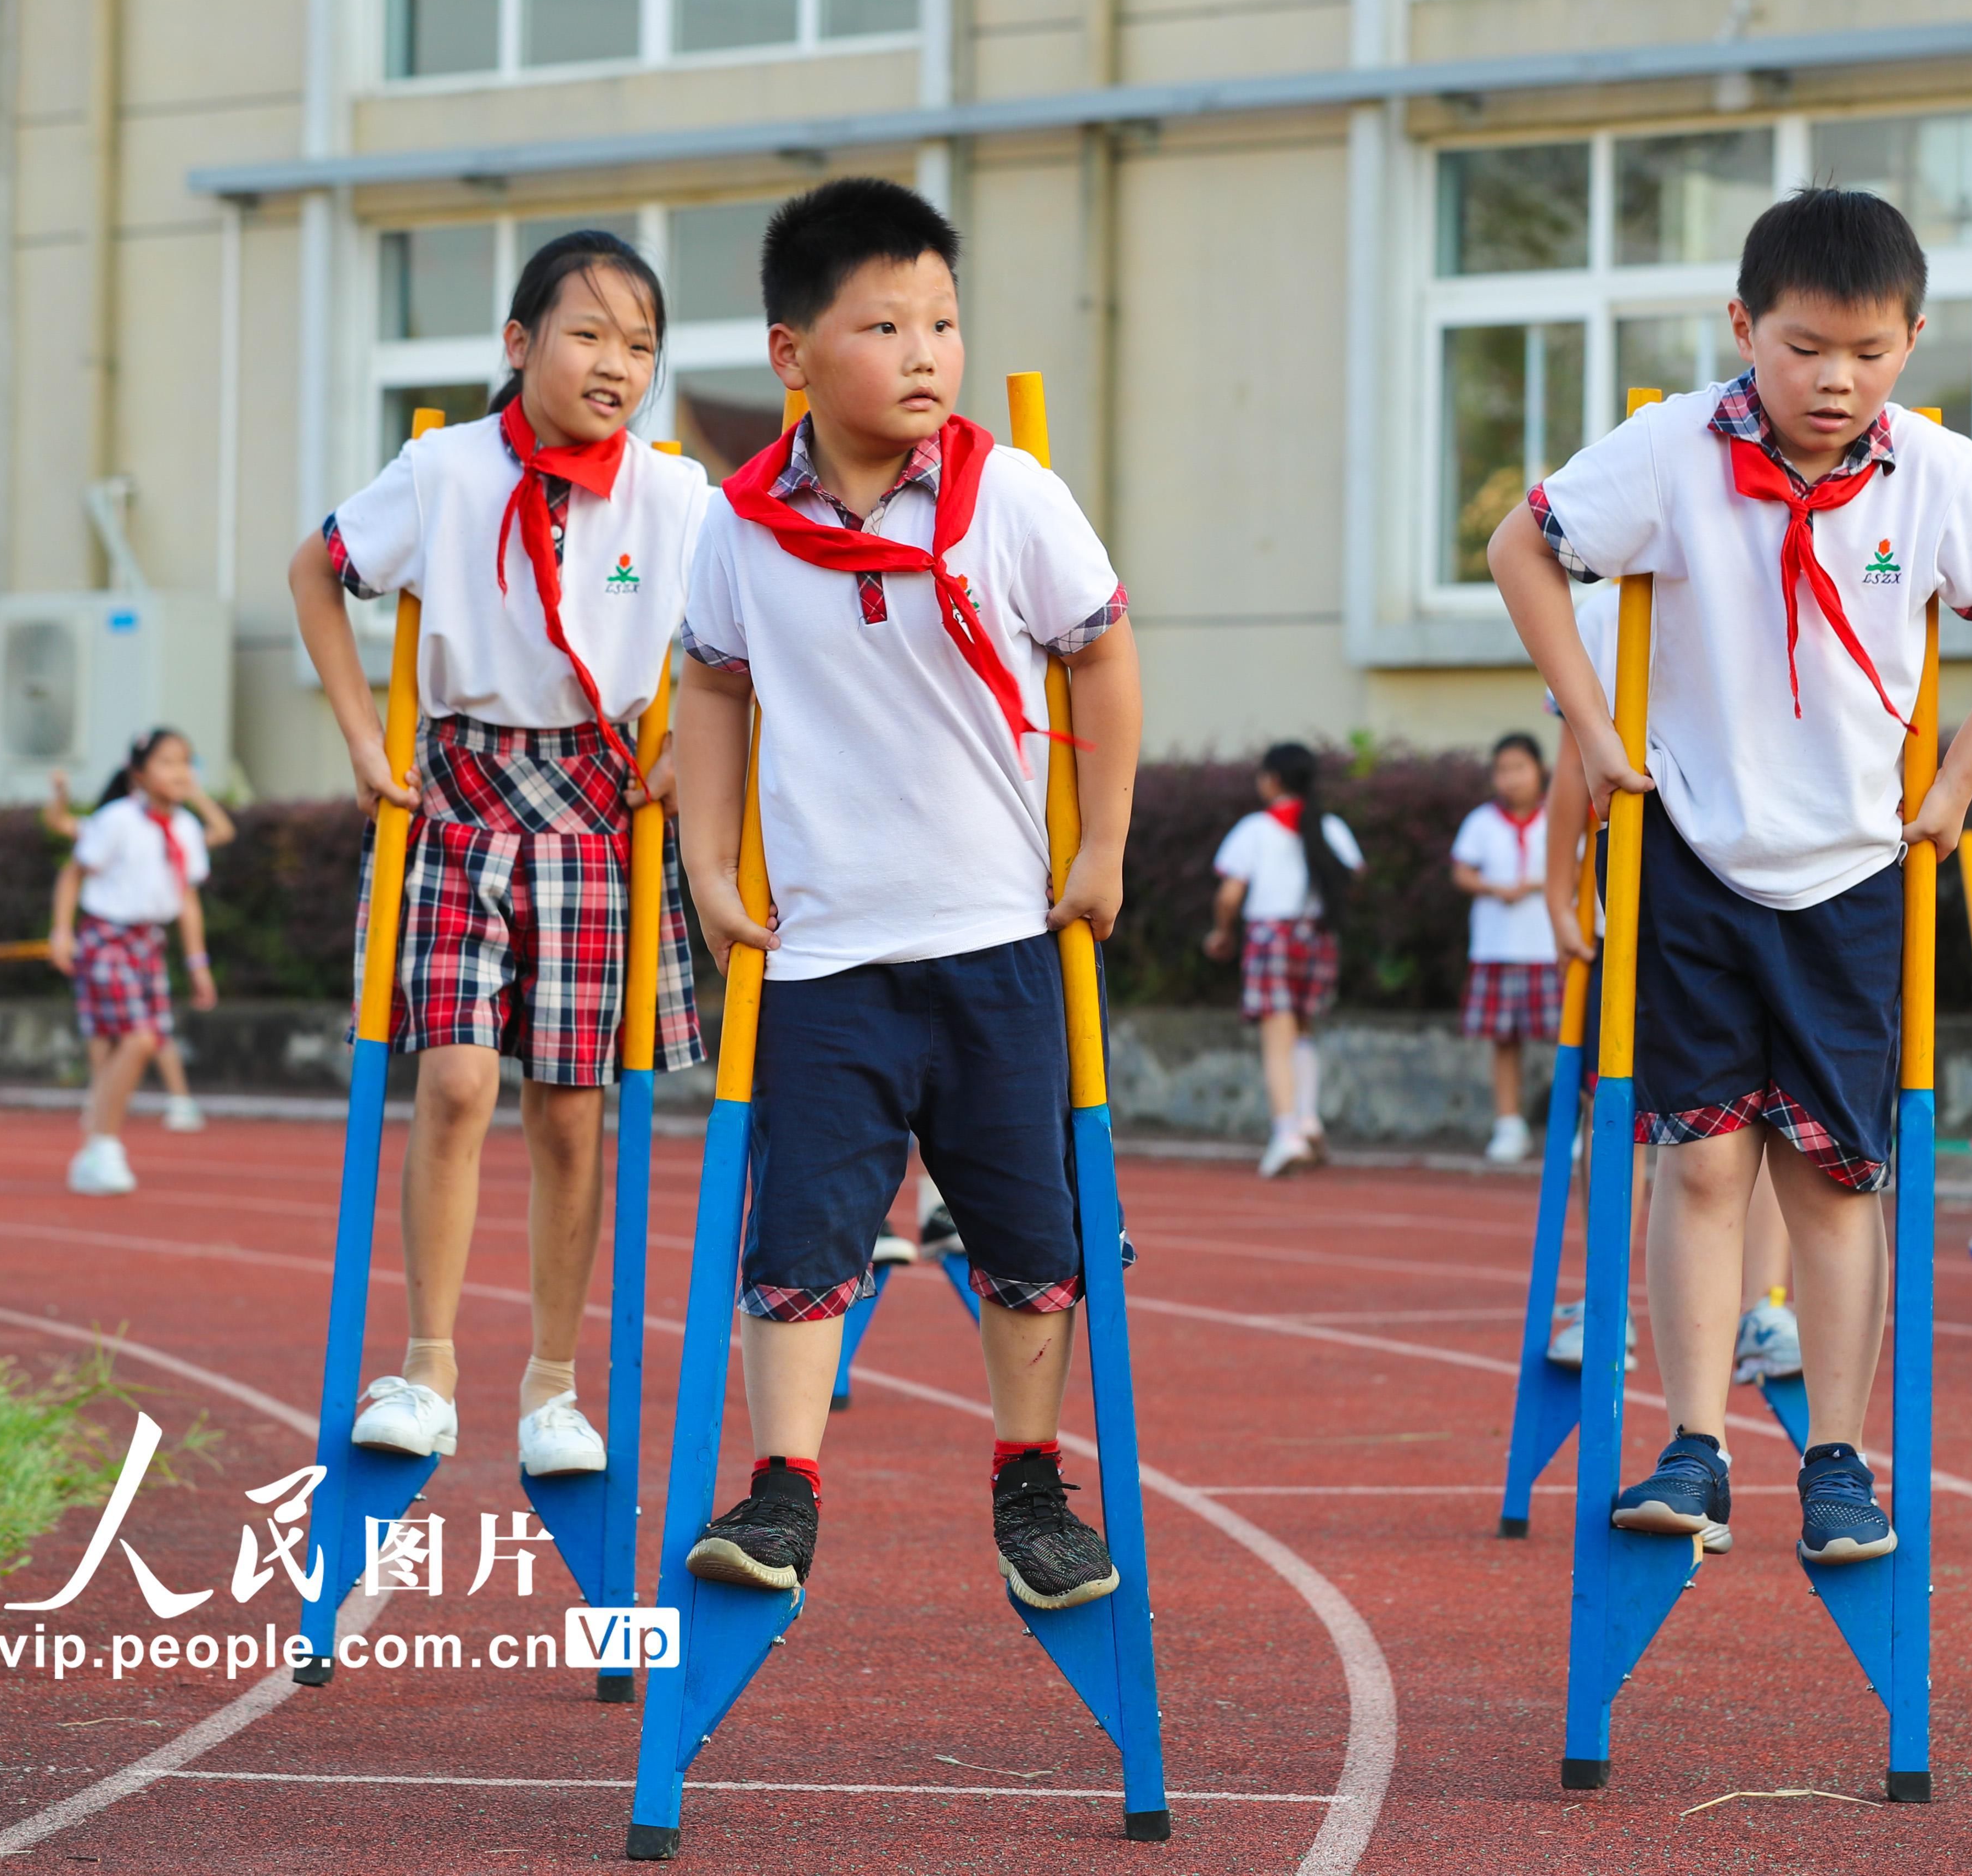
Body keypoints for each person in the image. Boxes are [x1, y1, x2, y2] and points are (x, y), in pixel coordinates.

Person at [1490, 186, 1972, 1563]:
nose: (1835, 380)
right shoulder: (1668, 451)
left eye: (1870, 353)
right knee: (1699, 1163)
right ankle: (1691, 1442)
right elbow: (1524, 545)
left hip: (1854, 872)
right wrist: (1587, 719)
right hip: (1693, 857)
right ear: (1742, 326)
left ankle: (1834, 1457)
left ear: (1912, 342)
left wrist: (1954, 785)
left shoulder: (1931, 473)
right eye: (1804, 346)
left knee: (1831, 1179)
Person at [668, 177, 1141, 1614]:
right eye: (884, 324)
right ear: (793, 356)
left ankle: (1028, 1480)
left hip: (1000, 945)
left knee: (1028, 1238)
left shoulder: (1013, 497)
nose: (927, 350)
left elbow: (1104, 657)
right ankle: (783, 1488)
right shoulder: (742, 528)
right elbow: (709, 680)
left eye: (942, 319)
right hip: (824, 957)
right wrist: (702, 862)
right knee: (803, 1236)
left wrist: (1103, 844)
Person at [288, 227, 709, 1480]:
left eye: (640, 345)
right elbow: (317, 569)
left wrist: (693, 755)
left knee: (573, 1113)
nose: (616, 365)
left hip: (595, 800)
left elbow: (751, 635)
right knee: (460, 1082)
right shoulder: (443, 471)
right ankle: (425, 1366)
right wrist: (365, 738)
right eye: (587, 335)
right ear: (520, 344)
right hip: (457, 796)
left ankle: (552, 1389)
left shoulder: (675, 495)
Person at [1539, 596, 1800, 1388]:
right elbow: (1571, 765)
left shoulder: (1776, 565)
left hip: (1783, 890)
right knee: (1622, 1108)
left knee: (1775, 1118)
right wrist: (1560, 894)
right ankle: (1606, 1302)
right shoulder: (1605, 604)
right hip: (1656, 900)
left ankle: (1765, 1304)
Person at [48, 730, 221, 1194]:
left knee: (122, 1045)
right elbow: (73, 875)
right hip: (106, 937)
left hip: (149, 943)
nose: (180, 772)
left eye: (186, 761)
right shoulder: (117, 820)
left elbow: (186, 900)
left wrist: (198, 962)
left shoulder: (184, 827)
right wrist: (62, 933)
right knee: (137, 1040)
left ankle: (95, 1145)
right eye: (167, 762)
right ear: (139, 774)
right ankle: (103, 1145)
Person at [1206, 743, 1364, 1179]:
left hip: (1270, 935)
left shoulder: (1255, 829)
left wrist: (1222, 931)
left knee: (1277, 1039)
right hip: (1316, 934)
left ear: (1272, 780)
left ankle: (1286, 1134)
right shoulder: (1329, 827)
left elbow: (1230, 894)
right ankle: (1309, 1120)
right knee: (1305, 1031)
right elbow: (1354, 879)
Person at [1453, 732, 1561, 1164]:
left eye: (1519, 768)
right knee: (1503, 1041)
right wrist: (1493, 888)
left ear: (1540, 770)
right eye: (1502, 770)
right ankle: (1508, 1124)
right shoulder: (1481, 821)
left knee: (1567, 1040)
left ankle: (1572, 1126)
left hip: (1549, 946)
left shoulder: (1557, 814)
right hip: (1497, 947)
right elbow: (1462, 871)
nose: (1511, 778)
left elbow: (1578, 866)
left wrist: (1536, 885)